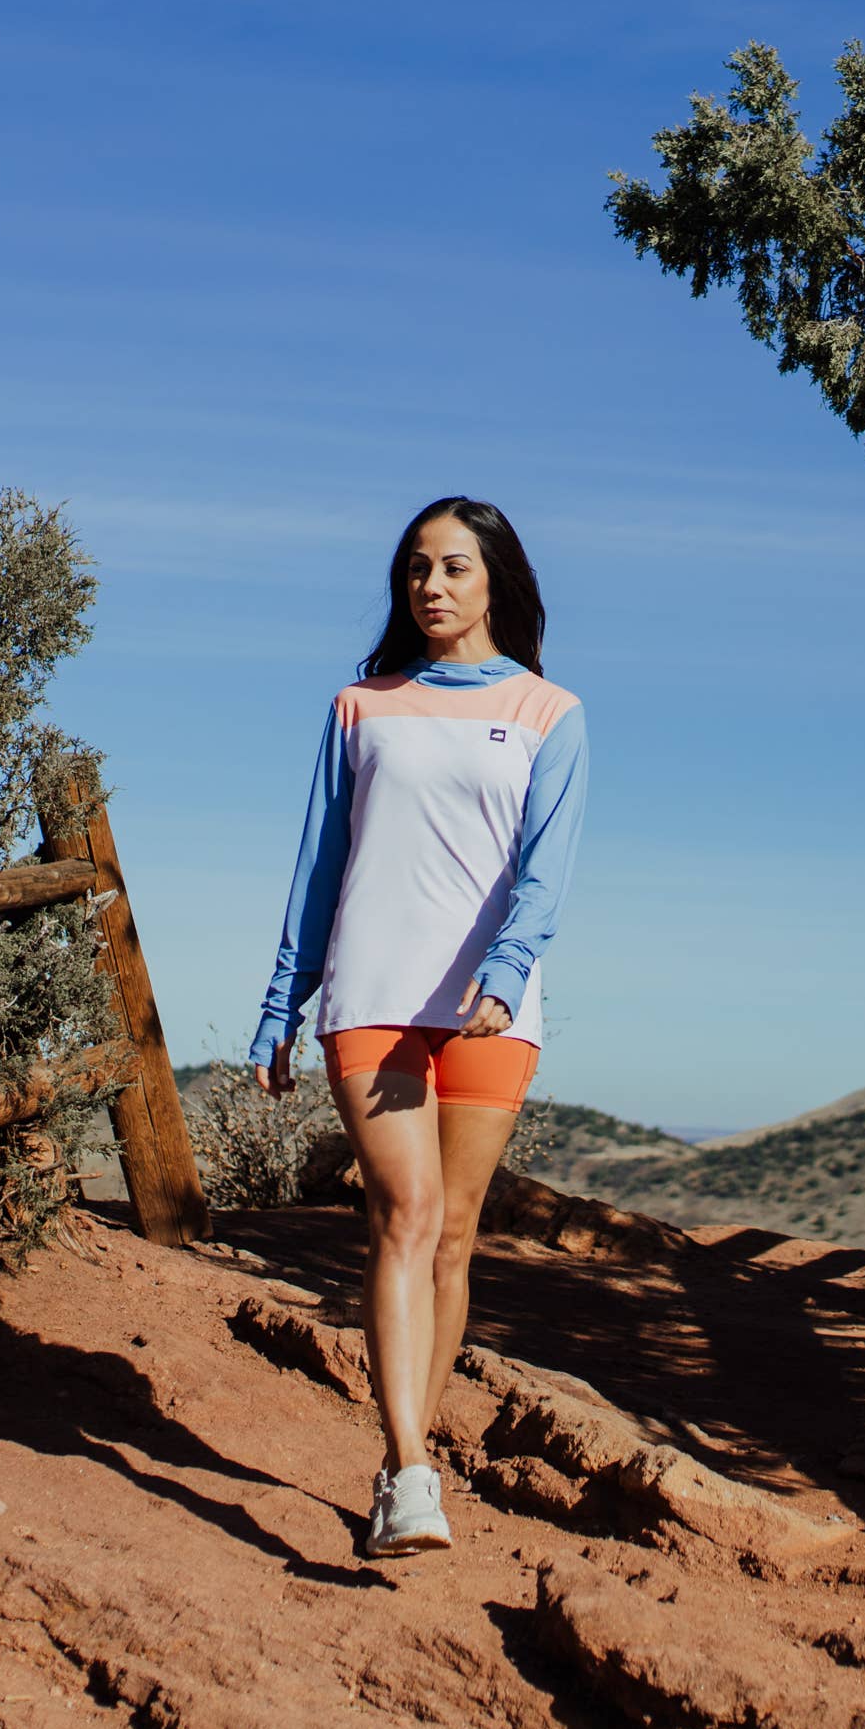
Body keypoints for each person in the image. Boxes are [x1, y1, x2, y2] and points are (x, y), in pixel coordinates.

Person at [249, 496, 587, 1557]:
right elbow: (319, 863)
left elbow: (547, 866)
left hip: (495, 1007)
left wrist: (509, 964)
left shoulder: (549, 711)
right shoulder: (361, 708)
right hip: (377, 994)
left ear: (496, 582)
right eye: (415, 570)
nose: (431, 586)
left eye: (452, 567)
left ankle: (413, 1452)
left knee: (452, 1236)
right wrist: (281, 1003)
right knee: (405, 1210)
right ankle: (407, 1471)